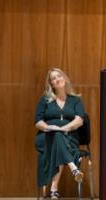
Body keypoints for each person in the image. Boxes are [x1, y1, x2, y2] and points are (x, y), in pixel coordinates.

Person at [34, 68, 86, 199]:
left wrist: (65, 128)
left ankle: (54, 188)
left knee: (59, 137)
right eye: (53, 79)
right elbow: (38, 121)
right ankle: (73, 167)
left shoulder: (75, 100)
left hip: (69, 136)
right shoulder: (45, 100)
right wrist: (49, 127)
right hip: (46, 137)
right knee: (57, 136)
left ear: (64, 78)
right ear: (51, 84)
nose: (57, 79)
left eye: (59, 76)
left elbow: (79, 120)